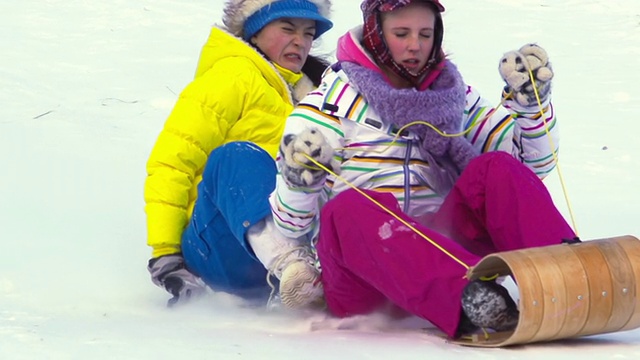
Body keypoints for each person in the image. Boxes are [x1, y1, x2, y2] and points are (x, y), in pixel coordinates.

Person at [270, 0, 577, 338]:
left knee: (495, 168)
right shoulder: (326, 108)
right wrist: (298, 182)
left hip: (448, 249)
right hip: (367, 282)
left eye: (425, 33)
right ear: (376, 35)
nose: (415, 45)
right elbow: (290, 225)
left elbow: (529, 168)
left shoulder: (453, 97)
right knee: (348, 209)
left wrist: (531, 109)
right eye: (401, 33)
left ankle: (570, 278)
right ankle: (475, 302)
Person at [144, 0, 333, 308]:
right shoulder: (232, 75)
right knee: (236, 158)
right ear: (254, 32)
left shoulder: (317, 96)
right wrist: (166, 254)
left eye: (309, 33)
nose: (300, 41)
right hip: (217, 244)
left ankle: (317, 279)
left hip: (294, 248)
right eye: (288, 29)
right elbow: (172, 161)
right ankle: (291, 267)